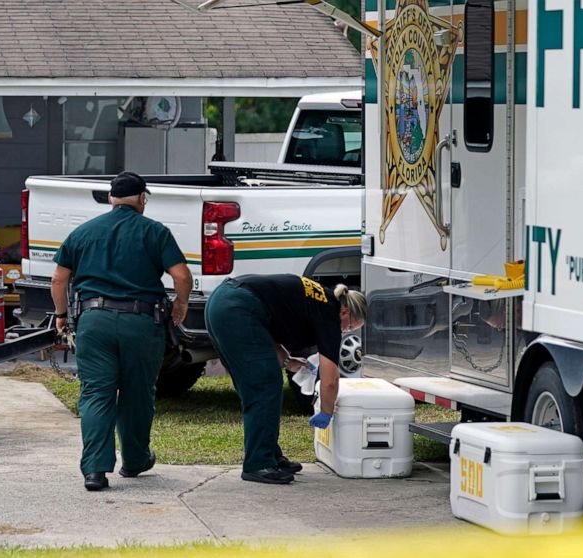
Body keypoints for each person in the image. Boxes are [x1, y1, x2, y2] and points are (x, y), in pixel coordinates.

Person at [50, 171, 192, 492]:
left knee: (96, 394)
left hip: (94, 322)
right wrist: (180, 306)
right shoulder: (155, 232)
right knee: (137, 393)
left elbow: (59, 279)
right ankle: (135, 459)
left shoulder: (83, 232)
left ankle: (95, 471)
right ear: (142, 199)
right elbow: (181, 276)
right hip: (141, 323)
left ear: (112, 198)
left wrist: (61, 315)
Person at [205, 274, 367, 484]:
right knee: (265, 385)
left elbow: (267, 325)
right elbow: (330, 380)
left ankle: (270, 455)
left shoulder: (320, 299)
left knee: (258, 385)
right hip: (237, 308)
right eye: (350, 327)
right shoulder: (329, 313)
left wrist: (289, 361)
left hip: (223, 302)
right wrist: (327, 413)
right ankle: (259, 463)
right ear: (345, 312)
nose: (346, 331)